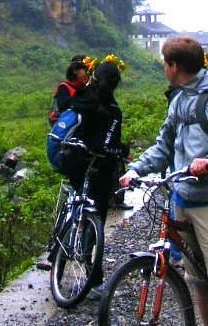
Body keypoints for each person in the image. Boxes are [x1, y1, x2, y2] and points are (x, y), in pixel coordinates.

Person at [119, 36, 208, 326]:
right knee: (198, 279)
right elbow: (164, 145)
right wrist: (135, 169)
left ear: (174, 65)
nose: (163, 68)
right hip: (183, 199)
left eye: (164, 63)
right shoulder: (180, 98)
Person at [60, 59, 126, 295]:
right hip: (98, 170)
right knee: (94, 222)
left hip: (73, 162)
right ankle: (94, 280)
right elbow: (106, 146)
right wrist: (123, 151)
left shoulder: (80, 97)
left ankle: (57, 247)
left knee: (75, 204)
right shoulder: (112, 110)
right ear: (116, 83)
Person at [50, 56, 90, 123]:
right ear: (75, 71)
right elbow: (63, 107)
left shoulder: (87, 88)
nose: (88, 74)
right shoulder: (64, 87)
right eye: (86, 70)